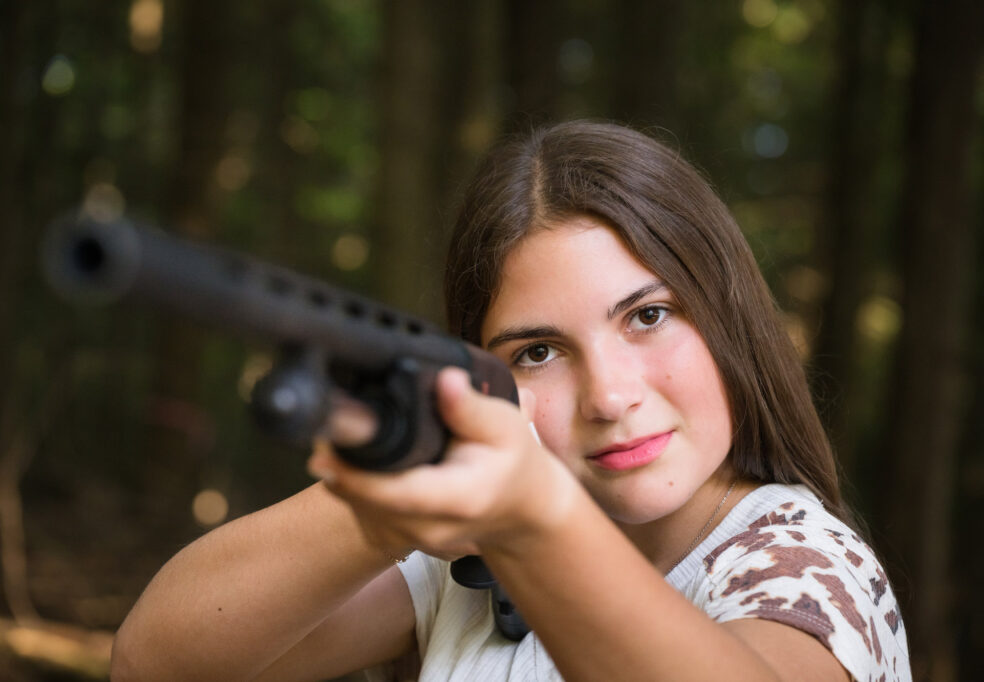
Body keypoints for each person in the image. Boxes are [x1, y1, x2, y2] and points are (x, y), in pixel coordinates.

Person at [109, 120, 911, 681]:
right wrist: (383, 514)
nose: (610, 396)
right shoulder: (463, 566)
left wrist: (535, 521)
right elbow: (155, 665)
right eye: (538, 352)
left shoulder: (802, 562)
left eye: (648, 316)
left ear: (727, 315)